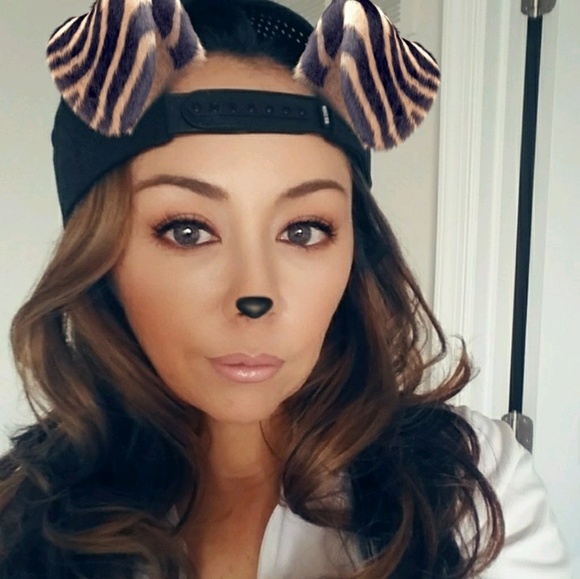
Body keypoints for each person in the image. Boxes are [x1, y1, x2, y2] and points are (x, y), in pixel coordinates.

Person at [0, 0, 571, 577]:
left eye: (303, 230)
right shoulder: (18, 516)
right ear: (101, 259)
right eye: (188, 230)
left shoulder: (469, 487)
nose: (255, 297)